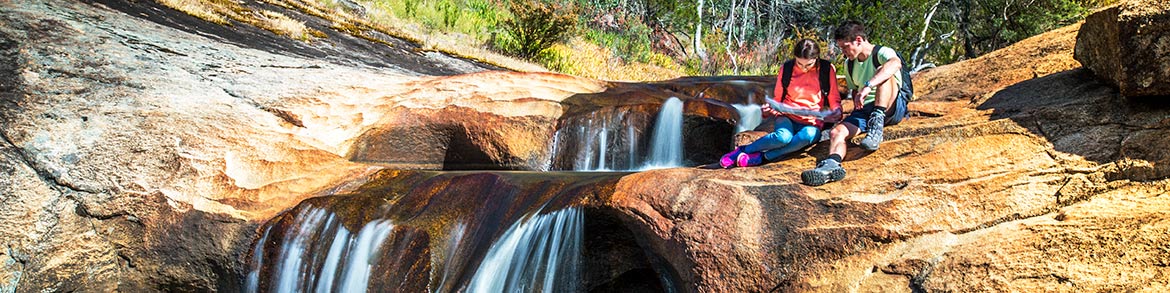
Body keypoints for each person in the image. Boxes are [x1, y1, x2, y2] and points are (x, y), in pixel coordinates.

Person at [800, 20, 910, 186]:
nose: (843, 52)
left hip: (891, 105)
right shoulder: (849, 64)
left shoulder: (882, 52)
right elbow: (854, 91)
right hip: (866, 110)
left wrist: (868, 86)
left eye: (845, 47)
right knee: (837, 132)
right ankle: (831, 166)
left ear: (858, 40)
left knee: (883, 71)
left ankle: (876, 126)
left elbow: (895, 64)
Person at [720, 39, 842, 168]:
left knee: (807, 136)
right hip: (787, 116)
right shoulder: (787, 68)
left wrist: (836, 111)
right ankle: (742, 151)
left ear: (816, 58)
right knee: (783, 137)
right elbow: (778, 99)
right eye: (799, 63)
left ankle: (763, 157)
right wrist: (768, 110)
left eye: (809, 65)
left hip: (813, 121)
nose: (803, 68)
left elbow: (834, 97)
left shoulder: (826, 70)